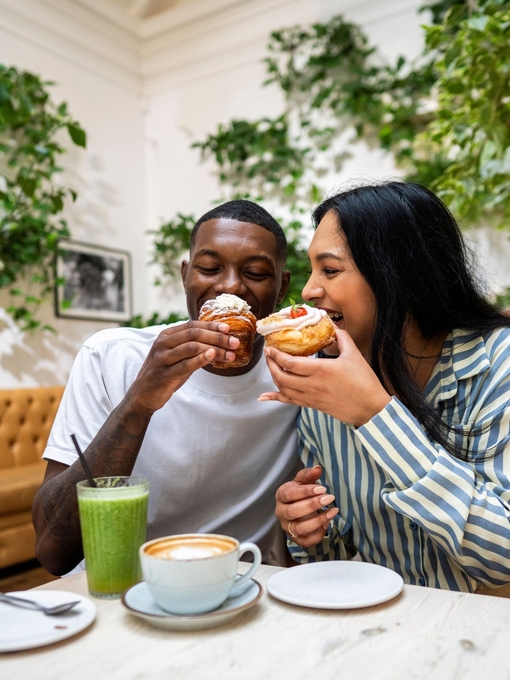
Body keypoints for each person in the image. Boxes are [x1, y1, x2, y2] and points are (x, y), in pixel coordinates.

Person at [260, 180, 510, 592]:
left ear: (402, 277)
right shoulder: (321, 382)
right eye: (311, 269)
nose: (308, 291)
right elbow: (335, 557)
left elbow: (501, 559)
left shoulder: (497, 364)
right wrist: (309, 526)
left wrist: (375, 414)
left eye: (331, 269)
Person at [33, 200, 300, 576]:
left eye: (255, 272)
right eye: (209, 268)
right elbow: (52, 550)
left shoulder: (299, 372)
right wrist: (138, 403)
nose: (229, 286)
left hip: (234, 587)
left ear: (281, 285)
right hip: (118, 588)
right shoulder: (112, 357)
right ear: (186, 275)